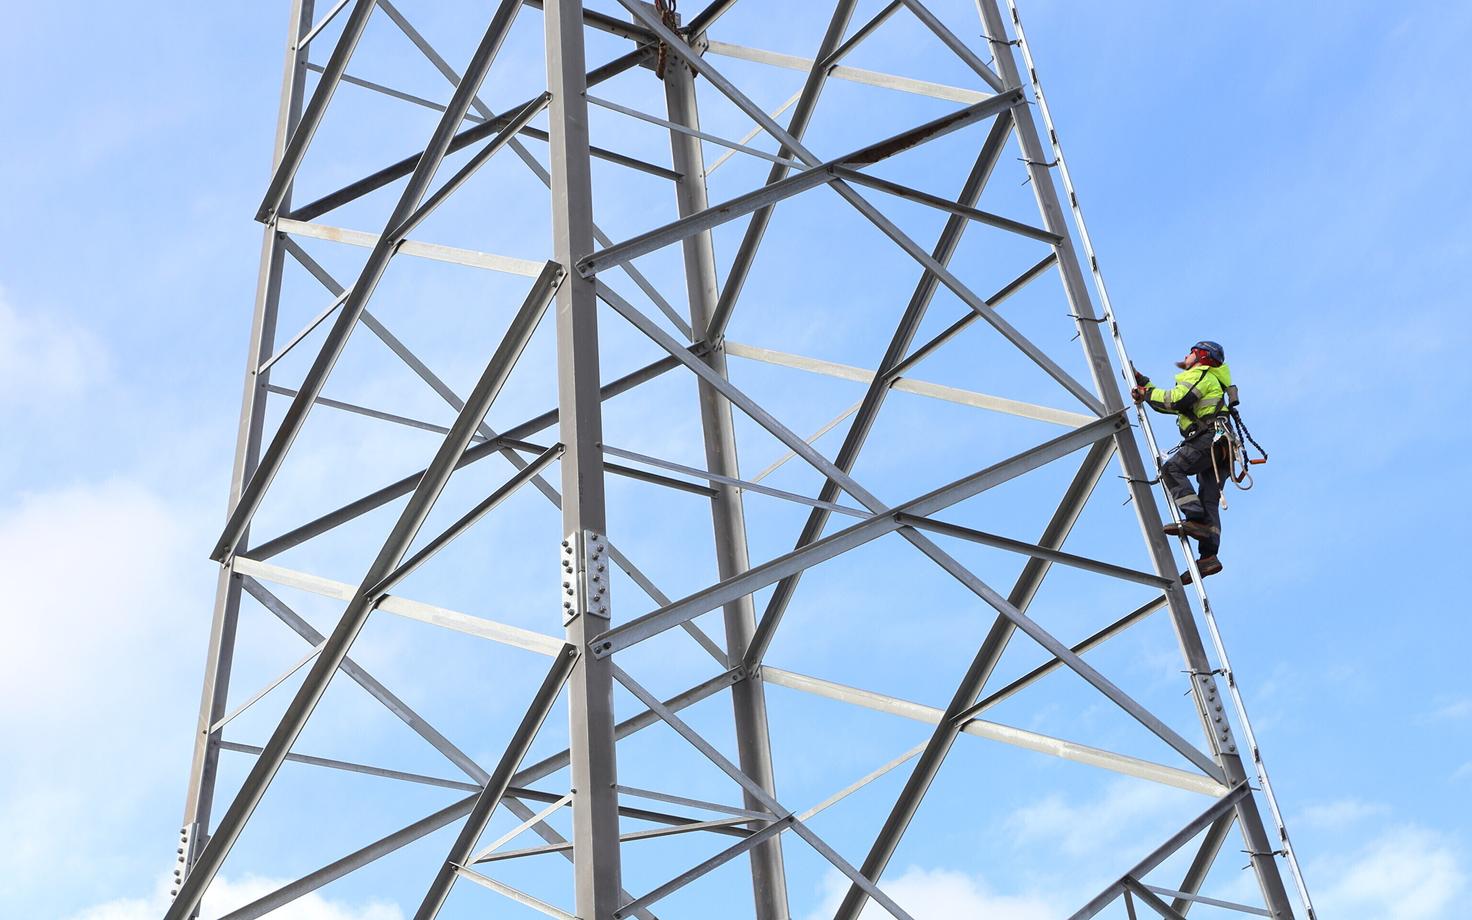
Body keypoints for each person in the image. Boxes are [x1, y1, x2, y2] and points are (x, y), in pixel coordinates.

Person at [1130, 340, 1234, 582]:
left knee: (1172, 468)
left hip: (1210, 438)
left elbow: (1177, 399)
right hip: (1223, 445)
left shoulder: (1201, 373)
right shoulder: (1210, 379)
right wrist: (1146, 386)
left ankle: (1195, 520)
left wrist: (1147, 394)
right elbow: (1175, 406)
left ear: (1201, 356)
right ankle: (1209, 557)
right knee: (1209, 496)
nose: (1186, 356)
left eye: (1191, 352)